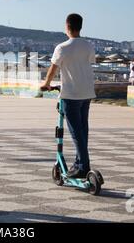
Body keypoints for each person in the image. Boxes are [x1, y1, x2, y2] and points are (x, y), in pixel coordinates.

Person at [41, 14, 96, 179]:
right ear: (80, 26)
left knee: (75, 132)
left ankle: (83, 167)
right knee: (83, 130)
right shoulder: (88, 46)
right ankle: (79, 163)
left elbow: (53, 68)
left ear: (67, 26)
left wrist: (46, 84)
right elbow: (87, 63)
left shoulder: (62, 47)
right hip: (86, 93)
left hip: (71, 94)